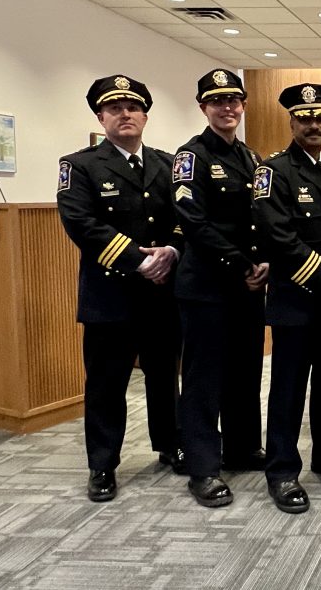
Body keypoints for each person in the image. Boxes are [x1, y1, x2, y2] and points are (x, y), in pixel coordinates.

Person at [56, 75, 184, 502]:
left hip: (163, 294)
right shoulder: (80, 165)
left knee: (165, 377)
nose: (124, 114)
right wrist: (140, 260)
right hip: (110, 296)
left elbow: (186, 219)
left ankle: (170, 444)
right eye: (114, 108)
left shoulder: (169, 165)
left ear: (145, 114)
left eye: (132, 106)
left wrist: (170, 249)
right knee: (106, 384)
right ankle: (103, 465)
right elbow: (81, 223)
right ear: (101, 116)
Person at [251, 83, 321, 514]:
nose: (314, 124)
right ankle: (282, 471)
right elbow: (275, 234)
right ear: (292, 121)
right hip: (296, 298)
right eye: (305, 118)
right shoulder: (273, 171)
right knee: (287, 388)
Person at [172, 69, 268, 508]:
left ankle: (243, 447)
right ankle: (203, 466)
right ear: (203, 107)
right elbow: (193, 220)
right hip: (209, 285)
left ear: (243, 105)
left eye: (234, 99)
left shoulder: (251, 158)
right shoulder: (189, 156)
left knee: (245, 372)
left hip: (248, 286)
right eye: (217, 100)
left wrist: (263, 262)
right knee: (202, 379)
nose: (227, 107)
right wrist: (243, 263)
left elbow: (262, 218)